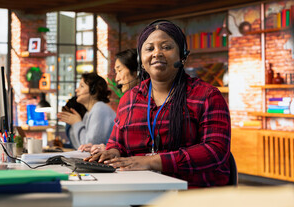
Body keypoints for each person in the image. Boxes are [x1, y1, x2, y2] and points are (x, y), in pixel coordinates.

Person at [87, 20, 231, 188]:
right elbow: (117, 142)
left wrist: (152, 161)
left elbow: (215, 151)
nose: (157, 53)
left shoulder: (207, 96)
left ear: (182, 54)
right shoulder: (130, 99)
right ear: (142, 58)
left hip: (192, 195)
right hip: (137, 190)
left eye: (166, 47)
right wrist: (112, 152)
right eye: (149, 49)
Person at [78, 48, 139, 154]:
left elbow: (139, 147)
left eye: (119, 71)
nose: (117, 79)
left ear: (137, 72)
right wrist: (108, 148)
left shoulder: (100, 108)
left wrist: (76, 123)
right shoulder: (128, 102)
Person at [57, 72, 116, 149]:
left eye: (82, 86)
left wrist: (76, 122)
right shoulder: (88, 113)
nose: (76, 90)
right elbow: (80, 147)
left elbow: (90, 146)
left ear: (94, 91)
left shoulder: (100, 108)